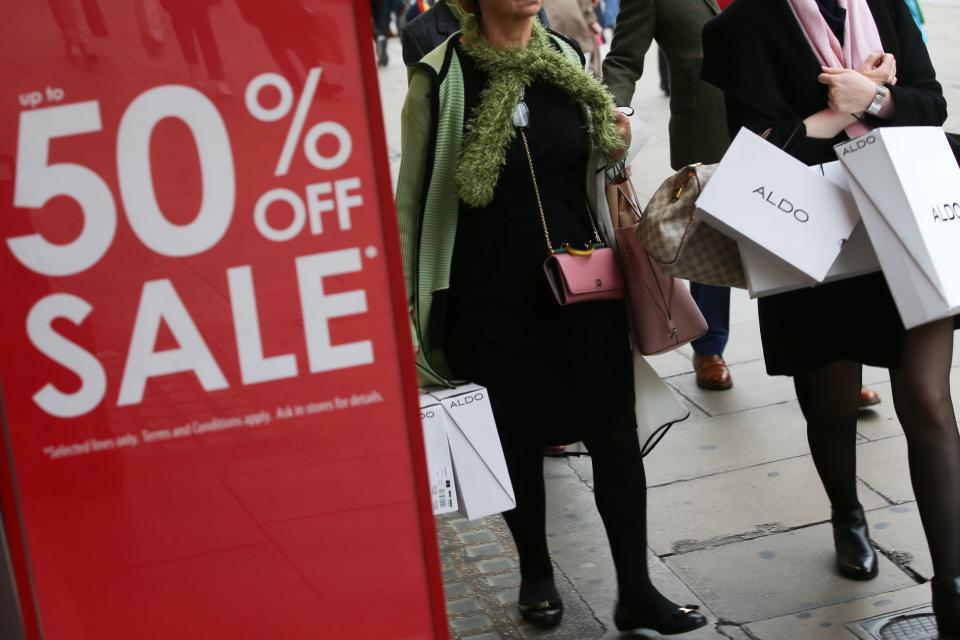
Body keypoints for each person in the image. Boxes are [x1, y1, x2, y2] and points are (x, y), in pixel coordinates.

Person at [395, 0, 708, 634]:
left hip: (583, 283)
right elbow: (413, 202)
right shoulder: (440, 77)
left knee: (615, 436)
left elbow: (590, 165)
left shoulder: (565, 58)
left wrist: (613, 141)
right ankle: (536, 570)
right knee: (516, 439)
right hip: (489, 294)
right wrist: (406, 315)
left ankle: (636, 591)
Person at [702, 1, 959, 637]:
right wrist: (838, 111)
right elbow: (756, 150)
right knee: (833, 400)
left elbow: (930, 105)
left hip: (904, 219)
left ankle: (952, 584)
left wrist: (876, 99)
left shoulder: (887, 7)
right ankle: (847, 514)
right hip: (810, 232)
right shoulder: (743, 28)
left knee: (928, 402)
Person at [603, 0, 736, 392]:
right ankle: (709, 346)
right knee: (713, 236)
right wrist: (612, 112)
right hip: (705, 128)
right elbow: (624, 59)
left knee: (792, 235)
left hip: (777, 121)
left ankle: (828, 358)